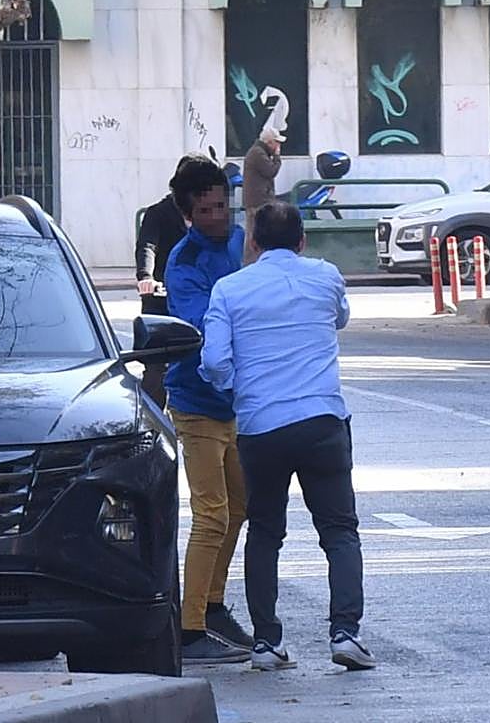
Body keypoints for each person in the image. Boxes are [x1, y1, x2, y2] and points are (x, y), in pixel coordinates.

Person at [199, 201, 375, 673]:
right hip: (322, 420)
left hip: (261, 427)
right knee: (339, 531)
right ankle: (346, 633)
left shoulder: (230, 289)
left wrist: (238, 387)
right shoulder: (326, 276)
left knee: (264, 531)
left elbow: (214, 361)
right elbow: (340, 318)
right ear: (303, 241)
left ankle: (266, 642)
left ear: (253, 242)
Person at [163, 153, 253, 664]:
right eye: (207, 210)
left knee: (239, 507)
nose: (219, 217)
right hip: (197, 403)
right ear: (188, 214)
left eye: (223, 206)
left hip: (236, 403)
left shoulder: (242, 242)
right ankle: (190, 627)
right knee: (211, 514)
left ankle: (212, 605)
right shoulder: (184, 262)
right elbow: (204, 328)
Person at [134, 165, 190, 407]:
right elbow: (147, 245)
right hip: (160, 298)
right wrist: (146, 277)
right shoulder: (158, 213)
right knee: (156, 367)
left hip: (192, 299)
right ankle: (151, 420)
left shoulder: (207, 217)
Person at [241, 129, 283, 265]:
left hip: (258, 201)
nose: (278, 146)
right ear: (269, 142)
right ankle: (250, 263)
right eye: (276, 142)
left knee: (256, 233)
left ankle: (254, 262)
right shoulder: (258, 153)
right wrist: (277, 157)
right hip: (258, 202)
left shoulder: (258, 152)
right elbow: (271, 171)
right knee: (254, 234)